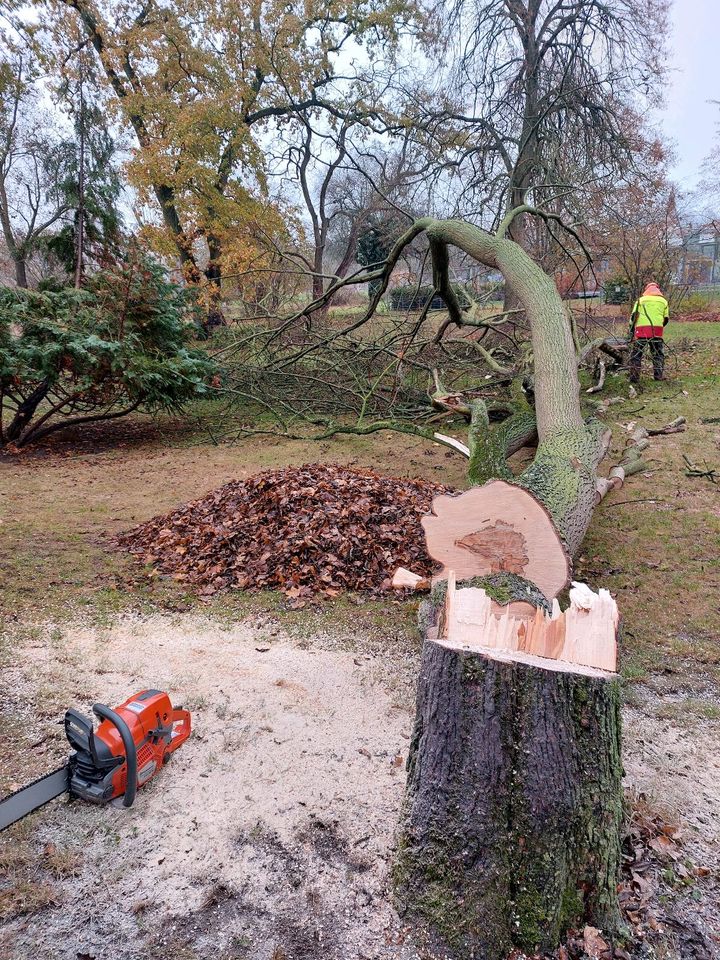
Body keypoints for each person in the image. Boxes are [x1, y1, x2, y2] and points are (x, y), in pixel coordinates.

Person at [628, 282, 669, 383]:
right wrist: (659, 327)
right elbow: (666, 319)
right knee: (658, 353)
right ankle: (658, 376)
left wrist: (631, 330)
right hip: (657, 331)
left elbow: (634, 316)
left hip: (641, 331)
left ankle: (634, 377)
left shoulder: (640, 300)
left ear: (646, 290)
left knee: (637, 354)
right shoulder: (663, 301)